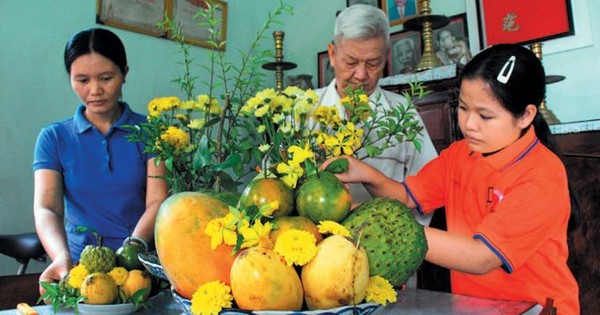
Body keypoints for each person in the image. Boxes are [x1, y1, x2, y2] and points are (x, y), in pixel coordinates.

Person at [324, 44, 579, 314]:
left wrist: (387, 230)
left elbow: (480, 256)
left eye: (485, 116)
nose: (469, 124)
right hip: (474, 307)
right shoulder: (461, 154)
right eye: (464, 108)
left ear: (526, 116)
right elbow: (408, 197)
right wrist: (363, 172)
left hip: (536, 309)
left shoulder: (542, 175)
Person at [33, 28, 169, 288]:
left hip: (138, 270)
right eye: (82, 80)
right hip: (80, 272)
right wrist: (61, 257)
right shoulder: (54, 138)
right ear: (70, 79)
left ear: (124, 73)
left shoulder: (151, 131)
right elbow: (47, 207)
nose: (95, 90)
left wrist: (134, 248)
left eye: (106, 78)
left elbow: (157, 200)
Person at [315, 4, 438, 226]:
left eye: (373, 63)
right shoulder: (302, 110)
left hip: (387, 241)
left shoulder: (403, 114)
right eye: (351, 63)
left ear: (386, 57)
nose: (361, 75)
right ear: (332, 54)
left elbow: (430, 191)